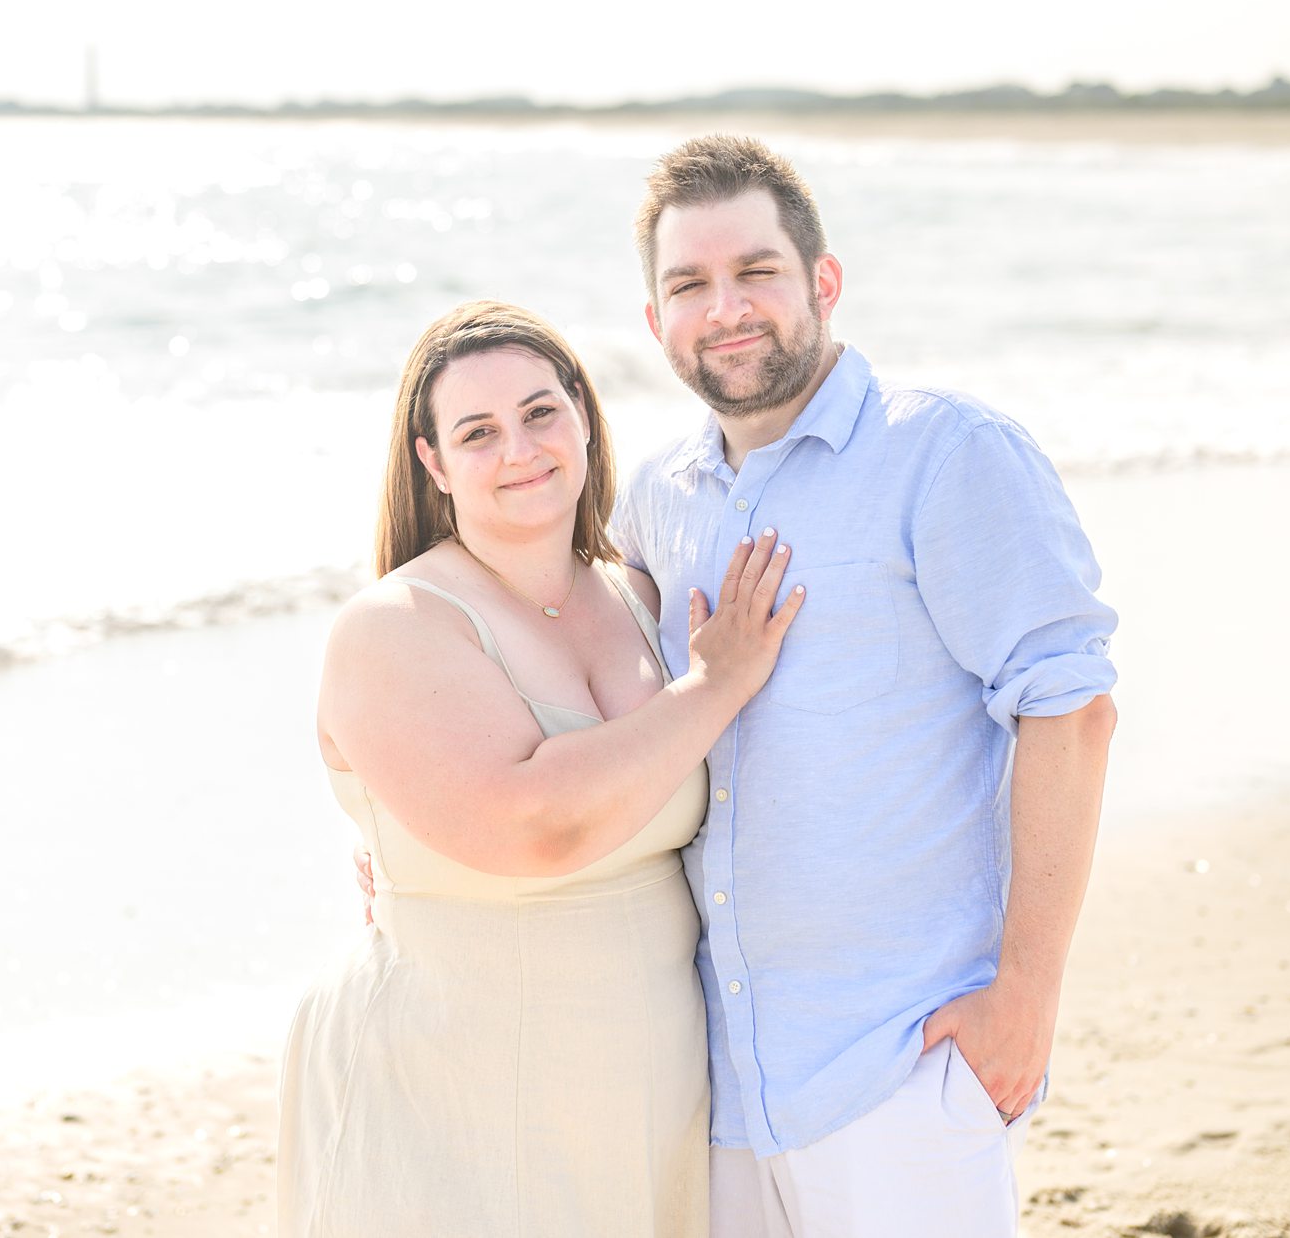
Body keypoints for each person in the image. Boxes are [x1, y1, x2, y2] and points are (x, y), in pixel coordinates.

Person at [616, 134, 1120, 1237]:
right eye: (689, 284)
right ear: (655, 322)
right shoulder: (657, 497)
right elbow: (576, 670)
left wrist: (1025, 999)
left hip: (903, 1060)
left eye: (757, 272)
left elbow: (1071, 710)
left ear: (824, 282)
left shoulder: (945, 452)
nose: (726, 307)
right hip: (724, 1086)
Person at [278, 300, 806, 1238]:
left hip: (642, 1084)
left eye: (539, 412)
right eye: (477, 431)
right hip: (450, 1083)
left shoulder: (639, 595)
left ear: (585, 419)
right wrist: (714, 686)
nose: (519, 447)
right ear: (433, 462)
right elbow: (535, 825)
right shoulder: (393, 626)